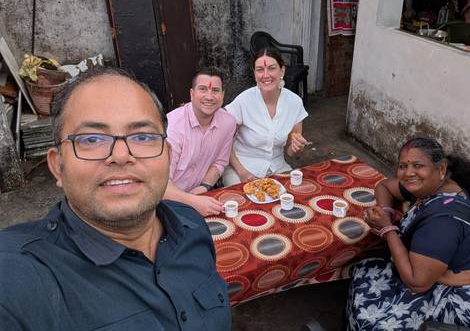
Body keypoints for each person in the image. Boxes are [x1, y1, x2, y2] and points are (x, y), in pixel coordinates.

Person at [0, 67, 231, 330]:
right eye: (92, 138)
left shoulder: (192, 227)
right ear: (57, 166)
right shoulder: (20, 275)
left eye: (143, 136)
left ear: (166, 155)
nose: (121, 156)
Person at [346, 137, 470, 330]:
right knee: (363, 270)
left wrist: (388, 229)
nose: (409, 173)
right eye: (403, 166)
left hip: (453, 295)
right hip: (432, 270)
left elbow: (417, 283)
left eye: (418, 165)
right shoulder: (433, 186)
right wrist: (386, 212)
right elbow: (384, 186)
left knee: (372, 319)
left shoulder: (442, 223)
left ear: (441, 169)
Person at [222, 47, 308, 186]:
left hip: (277, 167)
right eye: (260, 69)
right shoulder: (243, 101)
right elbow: (224, 141)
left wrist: (296, 148)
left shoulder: (294, 103)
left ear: (282, 71)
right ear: (255, 74)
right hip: (241, 168)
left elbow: (292, 152)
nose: (266, 75)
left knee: (293, 197)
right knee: (244, 204)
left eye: (272, 68)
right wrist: (242, 172)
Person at [163, 68, 236, 216]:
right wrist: (192, 202)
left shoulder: (228, 122)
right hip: (167, 201)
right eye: (203, 89)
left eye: (215, 90)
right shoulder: (173, 126)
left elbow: (220, 162)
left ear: (222, 96)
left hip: (201, 194)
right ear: (192, 94)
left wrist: (204, 186)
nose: (209, 96)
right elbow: (160, 184)